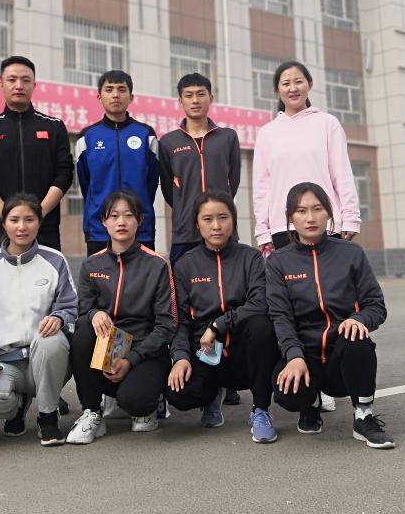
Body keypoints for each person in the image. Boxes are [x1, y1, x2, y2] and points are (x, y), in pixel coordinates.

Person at [252, 60, 360, 413]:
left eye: (298, 81)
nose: (293, 87)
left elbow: (341, 172)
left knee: (326, 302)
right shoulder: (268, 132)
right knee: (292, 306)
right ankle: (304, 376)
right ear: (277, 90)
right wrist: (263, 229)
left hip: (323, 224)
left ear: (309, 85)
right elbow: (262, 185)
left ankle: (327, 378)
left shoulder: (326, 124)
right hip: (283, 228)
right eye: (285, 82)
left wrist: (348, 216)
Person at [265, 182, 394, 449]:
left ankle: (363, 416)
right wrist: (294, 356)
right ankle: (310, 404)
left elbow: (376, 306)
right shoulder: (279, 261)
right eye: (301, 211)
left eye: (317, 209)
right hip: (306, 356)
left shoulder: (351, 254)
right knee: (287, 393)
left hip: (342, 356)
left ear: (329, 212)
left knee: (357, 337)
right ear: (290, 217)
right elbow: (280, 316)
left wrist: (359, 319)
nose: (310, 218)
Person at [166, 191, 280, 443]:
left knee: (262, 326)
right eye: (207, 219)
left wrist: (219, 325)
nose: (216, 226)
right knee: (179, 394)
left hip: (243, 351)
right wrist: (181, 357)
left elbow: (259, 304)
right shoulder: (185, 265)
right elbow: (181, 320)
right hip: (205, 352)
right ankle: (210, 396)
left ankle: (260, 409)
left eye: (223, 217)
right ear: (197, 224)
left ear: (233, 220)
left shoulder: (250, 258)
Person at [0, 194, 78, 446]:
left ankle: (48, 416)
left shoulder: (55, 260)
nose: (21, 226)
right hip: (6, 364)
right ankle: (17, 406)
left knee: (51, 340)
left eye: (29, 219)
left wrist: (59, 317)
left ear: (39, 222)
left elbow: (70, 306)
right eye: (14, 220)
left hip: (46, 360)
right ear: (4, 223)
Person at [66, 191, 178, 444]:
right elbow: (83, 310)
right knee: (83, 328)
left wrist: (131, 359)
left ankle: (151, 401)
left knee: (135, 402)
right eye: (114, 216)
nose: (121, 222)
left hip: (144, 351)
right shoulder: (91, 265)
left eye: (128, 215)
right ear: (104, 221)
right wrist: (94, 313)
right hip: (106, 351)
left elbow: (166, 324)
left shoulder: (157, 265)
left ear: (139, 220)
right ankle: (92, 411)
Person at [159, 72, 243, 406]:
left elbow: (232, 181)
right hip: (185, 234)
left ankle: (230, 375)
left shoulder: (227, 138)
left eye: (201, 94)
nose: (195, 100)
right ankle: (194, 366)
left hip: (223, 233)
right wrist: (188, 213)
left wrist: (216, 217)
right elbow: (169, 190)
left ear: (211, 97)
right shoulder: (169, 142)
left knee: (227, 299)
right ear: (180, 100)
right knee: (186, 306)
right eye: (189, 95)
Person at [0, 56, 73, 256]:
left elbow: (64, 174)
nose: (19, 85)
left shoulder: (54, 127)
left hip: (45, 228)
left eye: (26, 80)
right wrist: (9, 217)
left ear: (34, 85)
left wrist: (37, 214)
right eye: (12, 80)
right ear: (1, 84)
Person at [76, 70, 160, 256]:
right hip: (99, 229)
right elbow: (86, 183)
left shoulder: (146, 135)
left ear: (131, 97)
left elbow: (152, 182)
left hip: (140, 227)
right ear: (99, 97)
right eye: (109, 90)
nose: (115, 95)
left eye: (122, 90)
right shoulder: (87, 137)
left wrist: (138, 207)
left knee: (142, 276)